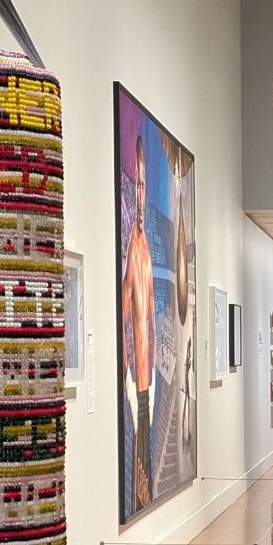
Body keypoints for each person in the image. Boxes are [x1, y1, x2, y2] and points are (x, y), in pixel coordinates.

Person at [120, 135, 156, 511]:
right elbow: (127, 313)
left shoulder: (145, 246)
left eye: (146, 185)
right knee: (139, 472)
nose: (143, 194)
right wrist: (127, 372)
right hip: (137, 385)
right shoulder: (133, 247)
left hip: (148, 382)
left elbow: (148, 315)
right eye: (140, 184)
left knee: (145, 472)